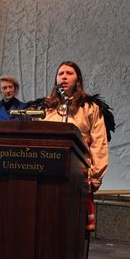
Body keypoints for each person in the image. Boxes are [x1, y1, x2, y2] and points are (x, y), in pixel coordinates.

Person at [41, 61, 111, 231]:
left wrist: (96, 175)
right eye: (60, 73)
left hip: (77, 172)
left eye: (69, 73)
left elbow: (99, 142)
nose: (64, 77)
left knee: (73, 226)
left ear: (77, 79)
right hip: (48, 170)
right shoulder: (46, 107)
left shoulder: (90, 107)